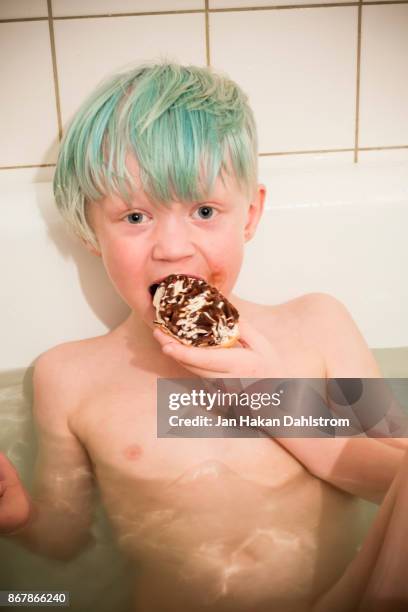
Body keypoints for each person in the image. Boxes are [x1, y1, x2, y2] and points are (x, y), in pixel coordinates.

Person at [0, 61, 407, 612]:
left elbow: (400, 485)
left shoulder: (315, 326)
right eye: (135, 216)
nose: (172, 247)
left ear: (251, 214)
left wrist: (275, 398)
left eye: (205, 210)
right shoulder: (69, 378)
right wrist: (20, 516)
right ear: (88, 232)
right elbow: (69, 540)